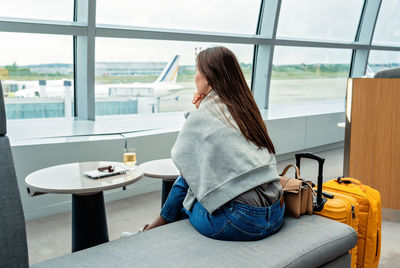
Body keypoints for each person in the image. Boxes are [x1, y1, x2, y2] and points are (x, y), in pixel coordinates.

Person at [145, 46, 284, 241]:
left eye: (197, 71)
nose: (195, 77)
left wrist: (199, 110)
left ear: (208, 78)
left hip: (241, 222)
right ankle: (157, 224)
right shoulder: (245, 110)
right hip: (275, 214)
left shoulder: (204, 116)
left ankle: (155, 226)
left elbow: (185, 162)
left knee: (189, 190)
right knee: (198, 175)